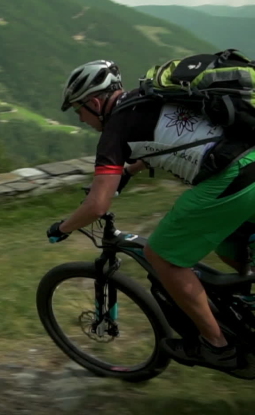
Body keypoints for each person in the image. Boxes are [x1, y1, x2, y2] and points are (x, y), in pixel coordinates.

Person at [46, 60, 255, 371]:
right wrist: (130, 171)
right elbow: (169, 139)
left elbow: (97, 206)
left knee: (161, 256)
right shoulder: (149, 98)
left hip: (233, 177)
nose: (80, 118)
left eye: (79, 110)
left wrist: (62, 228)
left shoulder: (115, 129)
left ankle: (217, 346)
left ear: (93, 102)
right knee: (226, 243)